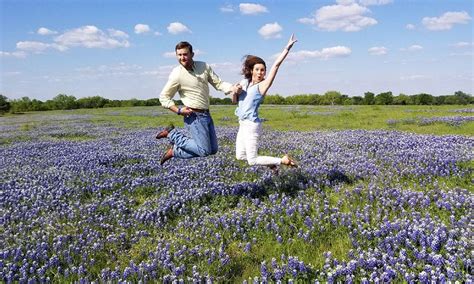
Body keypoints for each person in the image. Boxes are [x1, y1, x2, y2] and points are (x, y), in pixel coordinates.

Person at [156, 41, 242, 165]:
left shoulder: (204, 66)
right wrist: (179, 111)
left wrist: (232, 88)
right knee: (204, 150)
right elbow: (164, 97)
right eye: (179, 55)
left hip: (206, 114)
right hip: (193, 116)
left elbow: (218, 84)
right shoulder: (177, 74)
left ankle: (174, 151)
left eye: (185, 54)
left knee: (212, 149)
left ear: (192, 54)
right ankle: (172, 133)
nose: (182, 58)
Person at [234, 34, 298, 172]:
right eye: (257, 69)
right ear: (251, 70)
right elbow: (234, 101)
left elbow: (276, 65)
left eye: (262, 70)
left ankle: (283, 160)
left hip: (251, 125)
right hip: (241, 123)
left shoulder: (263, 86)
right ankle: (270, 163)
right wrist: (235, 91)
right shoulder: (244, 83)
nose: (260, 72)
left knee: (252, 160)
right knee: (240, 156)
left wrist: (287, 48)